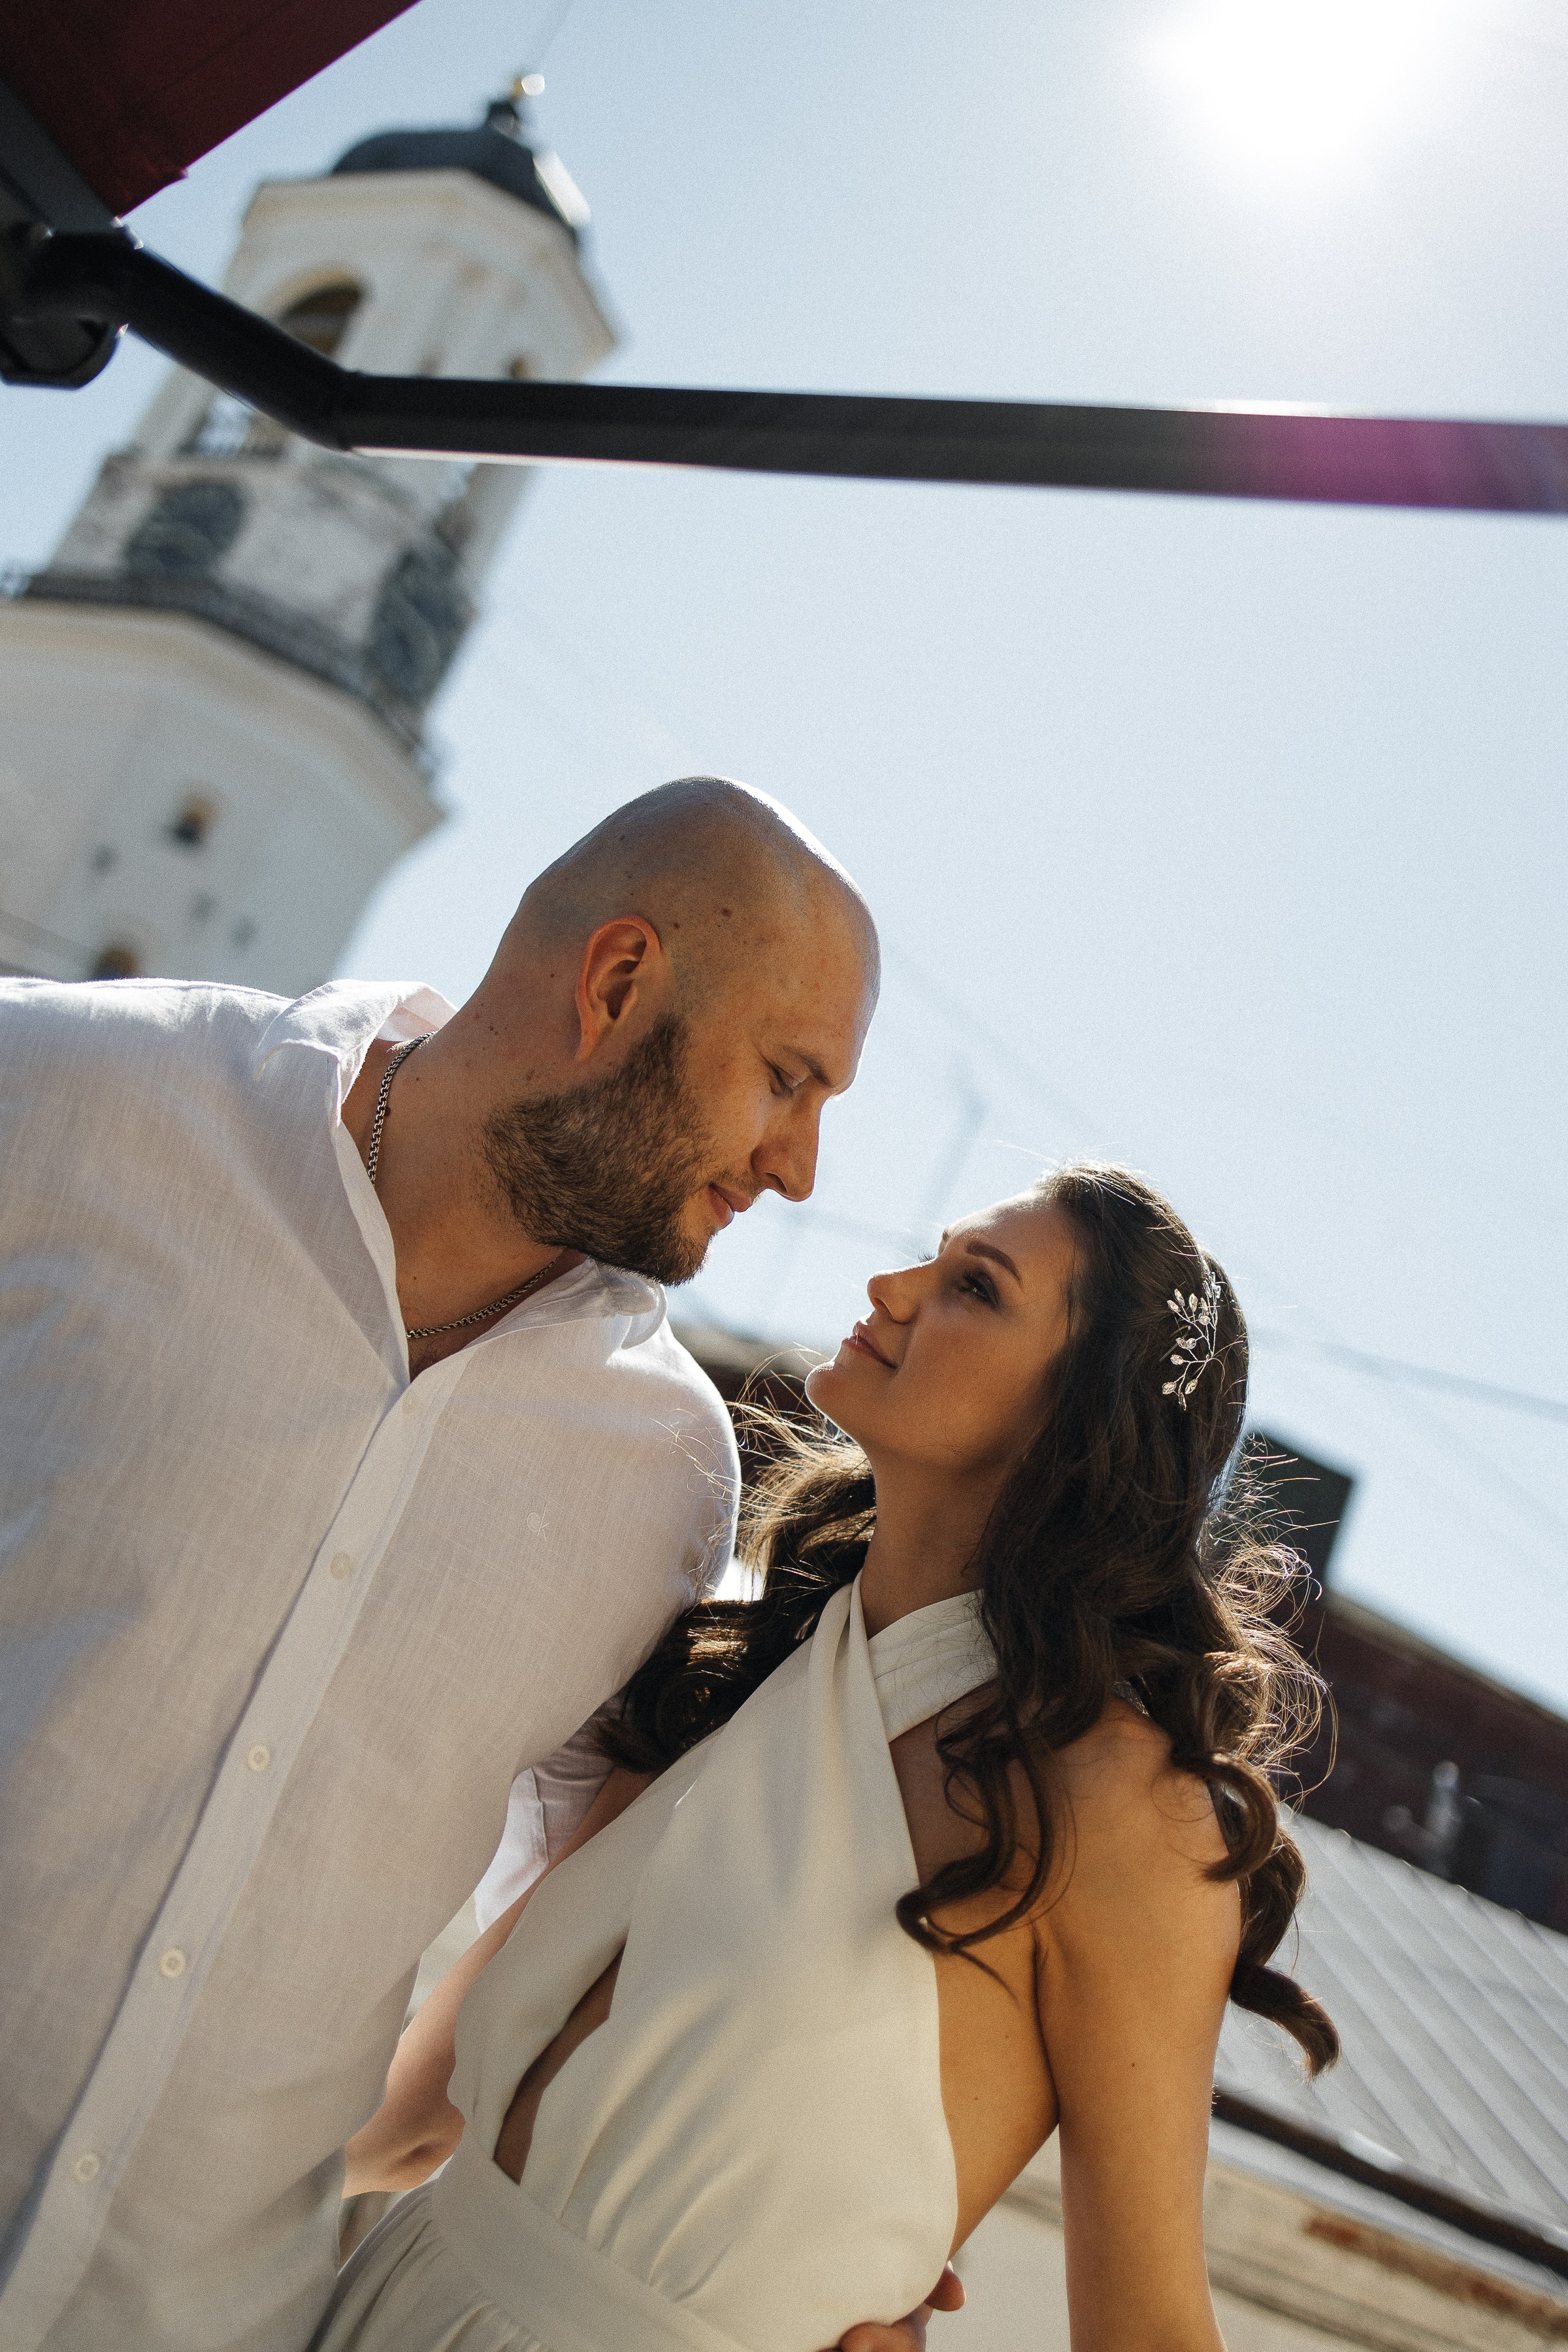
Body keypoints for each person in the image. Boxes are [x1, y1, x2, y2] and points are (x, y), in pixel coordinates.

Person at [0, 777, 919, 2352]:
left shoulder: (669, 1473)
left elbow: (539, 1992)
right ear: (616, 982)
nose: (801, 1169)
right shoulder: (61, 1092)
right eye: (787, 1078)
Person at [318, 1163, 1339, 2352]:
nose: (890, 1287)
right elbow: (410, 2118)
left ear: (1077, 1422)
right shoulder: (736, 1670)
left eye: (973, 1287)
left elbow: (1150, 2330)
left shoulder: (1120, 1806)